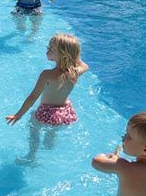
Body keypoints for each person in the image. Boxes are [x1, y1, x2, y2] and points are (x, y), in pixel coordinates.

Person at [6, 33, 88, 163]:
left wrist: (18, 115)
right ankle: (49, 145)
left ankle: (31, 156)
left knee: (33, 130)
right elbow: (85, 65)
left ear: (63, 55)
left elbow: (32, 98)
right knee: (52, 131)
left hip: (46, 114)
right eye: (48, 47)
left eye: (51, 49)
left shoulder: (47, 75)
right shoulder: (76, 72)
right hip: (65, 114)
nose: (47, 50)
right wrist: (74, 55)